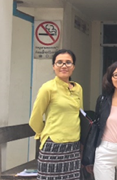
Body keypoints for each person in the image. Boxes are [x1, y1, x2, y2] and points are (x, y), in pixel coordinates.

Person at [29, 49, 83, 180]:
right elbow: (34, 119)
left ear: (73, 67)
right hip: (53, 146)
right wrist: (47, 134)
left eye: (68, 63)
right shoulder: (48, 88)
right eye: (59, 63)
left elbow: (80, 114)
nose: (64, 66)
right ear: (53, 66)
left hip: (73, 146)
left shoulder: (77, 88)